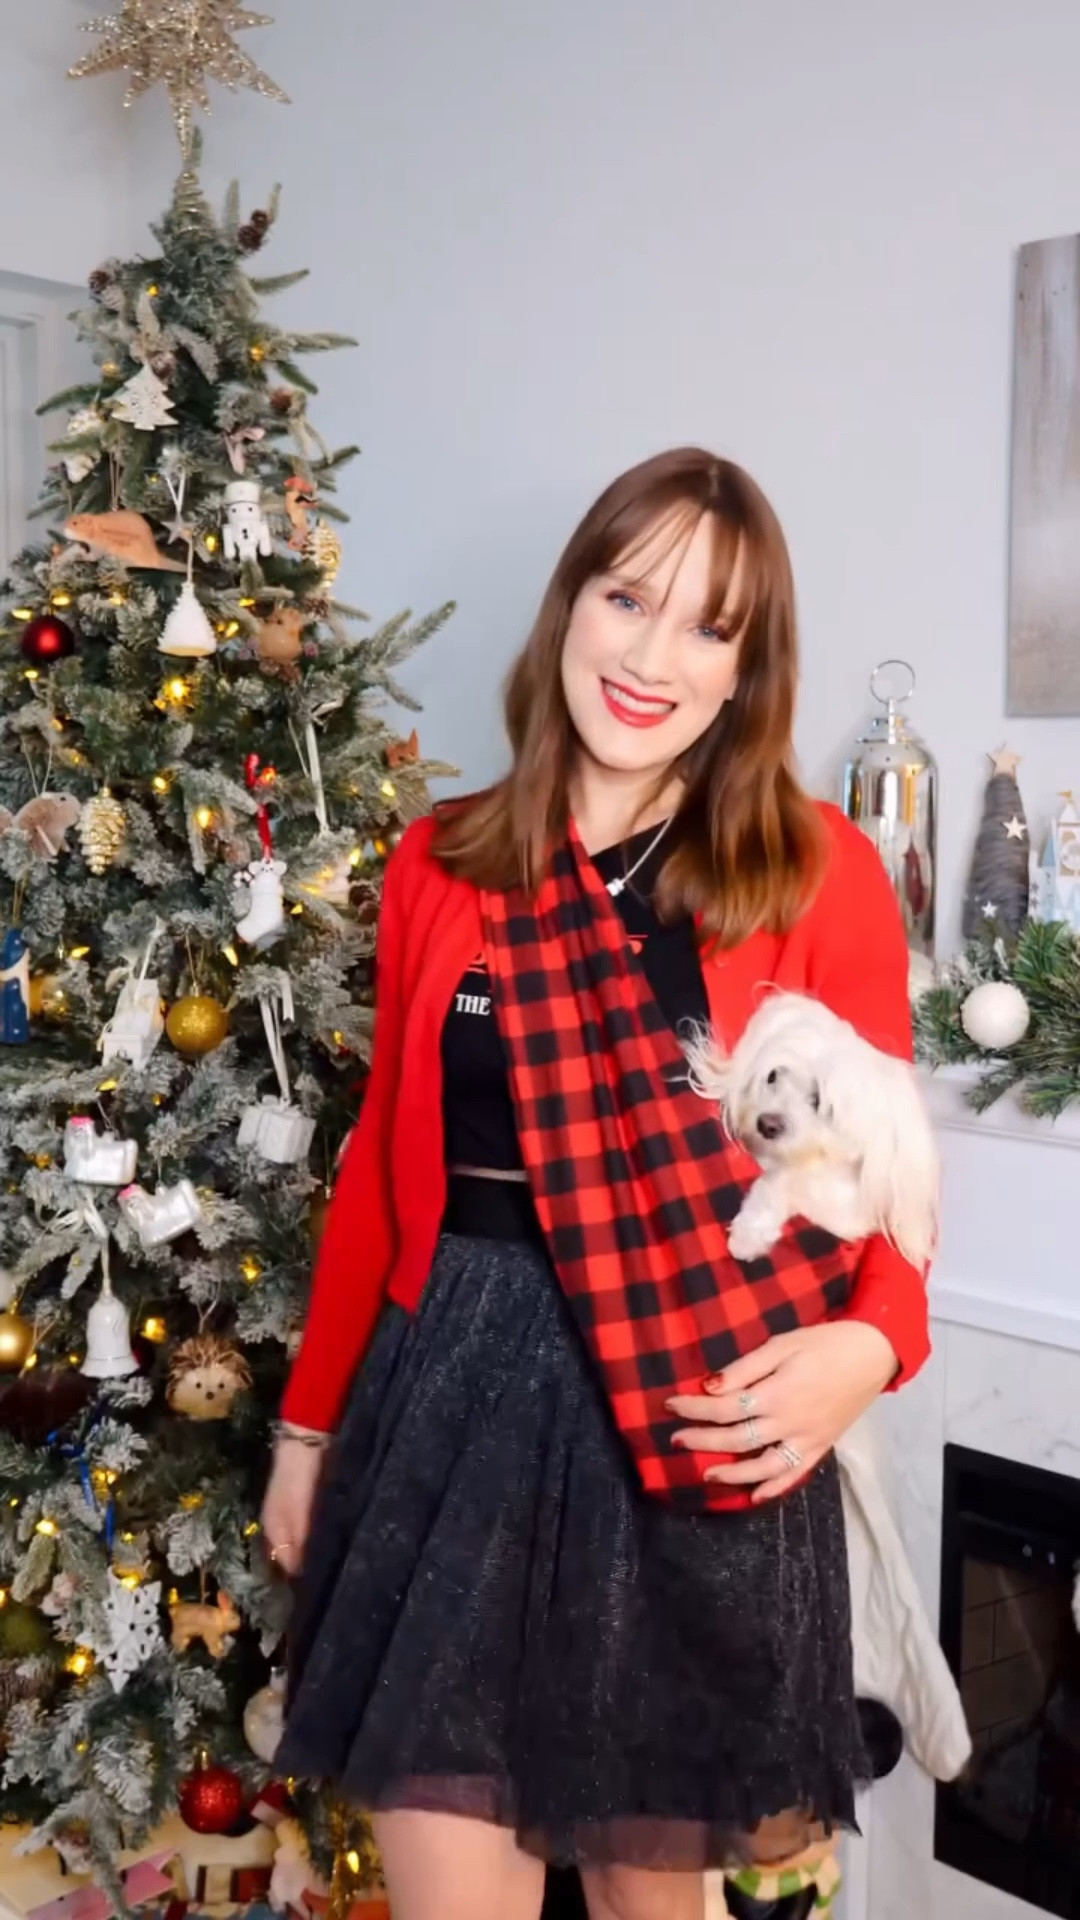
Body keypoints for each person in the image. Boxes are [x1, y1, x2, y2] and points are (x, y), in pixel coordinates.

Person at [262, 447, 930, 1920]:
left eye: (708, 624)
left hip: (697, 1408)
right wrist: (307, 1429)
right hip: (458, 1411)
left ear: (747, 669)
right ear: (570, 604)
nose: (651, 655)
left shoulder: (816, 875)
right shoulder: (442, 861)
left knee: (655, 1904)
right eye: (628, 598)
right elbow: (382, 1164)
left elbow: (891, 1171)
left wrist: (869, 1348)